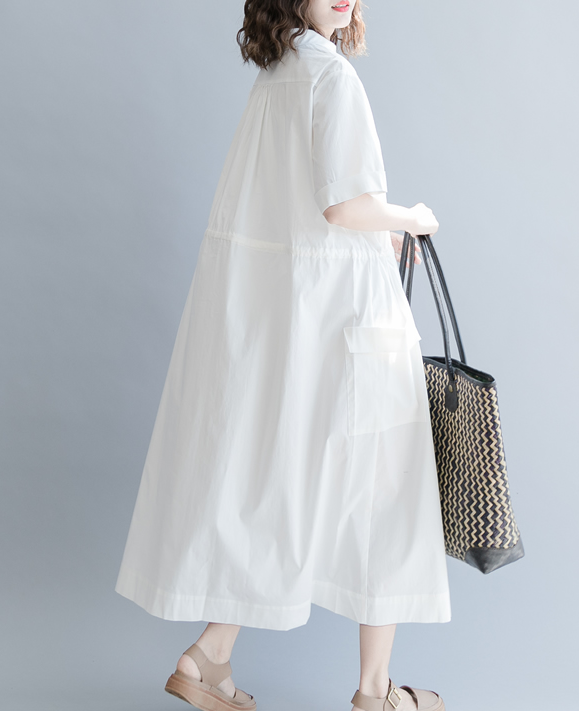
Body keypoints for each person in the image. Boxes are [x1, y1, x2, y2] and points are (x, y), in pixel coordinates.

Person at [115, 1, 451, 710]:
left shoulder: (277, 75)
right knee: (383, 495)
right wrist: (411, 218)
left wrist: (379, 233)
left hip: (297, 323)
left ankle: (208, 657)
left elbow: (292, 208)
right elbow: (344, 207)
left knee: (284, 484)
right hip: (351, 324)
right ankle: (376, 692)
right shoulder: (332, 77)